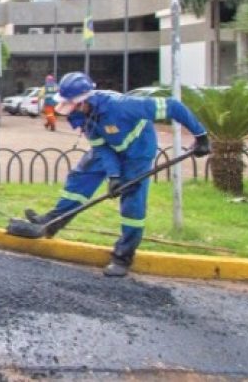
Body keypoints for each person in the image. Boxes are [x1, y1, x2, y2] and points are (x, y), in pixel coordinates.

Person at [23, 72, 209, 278]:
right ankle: (51, 223)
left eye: (72, 105)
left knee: (132, 201)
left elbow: (173, 106)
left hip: (138, 153)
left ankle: (123, 256)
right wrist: (113, 175)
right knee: (81, 177)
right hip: (111, 147)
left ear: (84, 100)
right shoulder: (85, 116)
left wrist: (200, 135)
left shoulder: (122, 105)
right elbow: (102, 148)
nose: (69, 110)